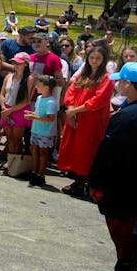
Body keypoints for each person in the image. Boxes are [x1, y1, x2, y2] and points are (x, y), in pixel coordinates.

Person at [87, 62, 137, 271]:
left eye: (121, 81)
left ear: (129, 85)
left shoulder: (127, 116)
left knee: (126, 245)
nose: (118, 84)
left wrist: (95, 183)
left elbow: (108, 155)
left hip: (125, 196)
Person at [58, 45, 114, 197]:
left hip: (91, 120)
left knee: (87, 149)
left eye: (98, 58)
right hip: (75, 116)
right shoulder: (83, 74)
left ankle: (85, 183)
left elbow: (98, 101)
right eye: (91, 58)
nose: (94, 61)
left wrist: (75, 111)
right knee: (74, 148)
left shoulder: (106, 78)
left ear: (103, 61)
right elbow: (71, 92)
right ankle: (78, 181)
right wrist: (70, 110)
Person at [24, 75, 58, 187]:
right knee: (33, 149)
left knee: (43, 153)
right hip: (36, 129)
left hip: (45, 132)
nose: (36, 86)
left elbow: (50, 118)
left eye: (39, 85)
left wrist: (33, 117)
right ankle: (34, 171)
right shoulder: (39, 98)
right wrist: (31, 114)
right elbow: (39, 113)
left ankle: (41, 174)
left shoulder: (51, 102)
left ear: (47, 87)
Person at [0, 52, 34, 158]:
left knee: (17, 140)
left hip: (19, 111)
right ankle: (10, 163)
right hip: (7, 109)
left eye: (19, 63)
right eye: (14, 63)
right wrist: (4, 108)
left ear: (26, 64)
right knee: (9, 139)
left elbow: (26, 100)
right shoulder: (8, 76)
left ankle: (14, 163)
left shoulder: (29, 79)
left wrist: (9, 111)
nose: (16, 65)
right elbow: (2, 94)